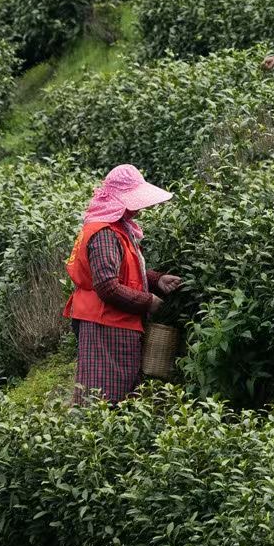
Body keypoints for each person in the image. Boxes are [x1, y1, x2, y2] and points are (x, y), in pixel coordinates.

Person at [64, 164, 182, 406]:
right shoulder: (105, 233)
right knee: (103, 399)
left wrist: (156, 280)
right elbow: (107, 286)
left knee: (115, 396)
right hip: (104, 324)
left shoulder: (118, 228)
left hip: (114, 322)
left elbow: (122, 270)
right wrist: (148, 301)